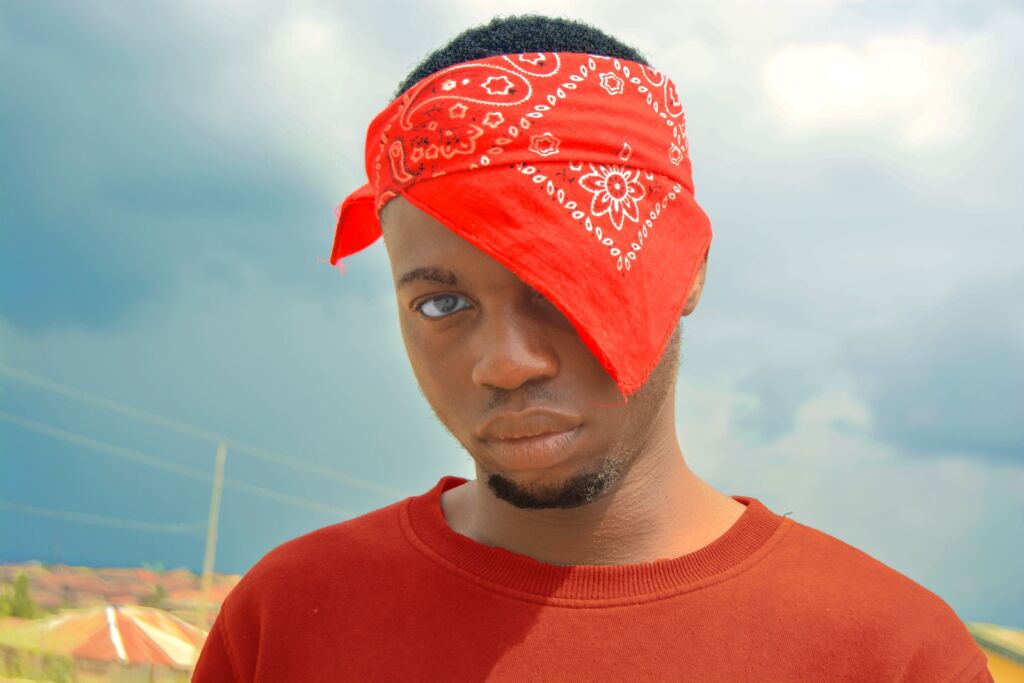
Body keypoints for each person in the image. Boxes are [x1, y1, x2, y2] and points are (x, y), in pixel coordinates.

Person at [192, 14, 992, 682]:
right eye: (442, 301)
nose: (504, 362)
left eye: (559, 284)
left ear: (687, 270)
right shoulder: (286, 624)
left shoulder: (890, 655)